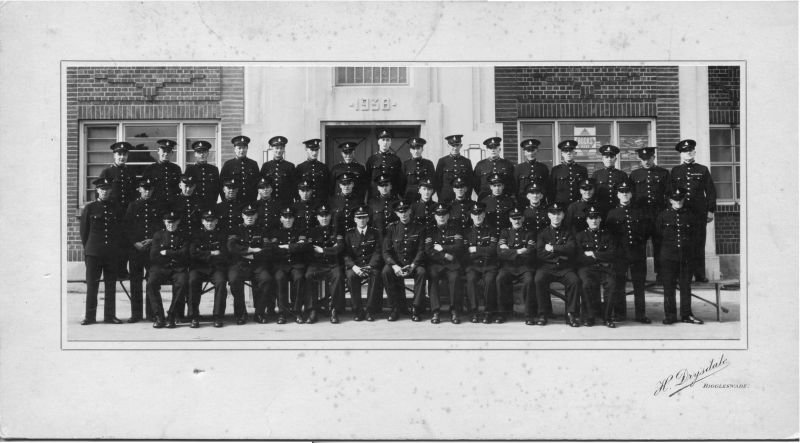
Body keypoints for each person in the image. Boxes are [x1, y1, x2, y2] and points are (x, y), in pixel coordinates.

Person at [670, 139, 717, 283]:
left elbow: (710, 191)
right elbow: (671, 192)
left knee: (698, 243)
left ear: (694, 152)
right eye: (685, 151)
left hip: (698, 213)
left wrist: (710, 210)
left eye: (690, 151)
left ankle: (699, 274)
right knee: (683, 243)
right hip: (682, 212)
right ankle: (684, 274)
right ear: (681, 154)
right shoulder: (676, 171)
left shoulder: (702, 170)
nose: (688, 153)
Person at [656, 188, 704, 325]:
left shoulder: (690, 216)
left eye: (680, 199)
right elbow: (657, 238)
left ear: (683, 199)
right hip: (668, 258)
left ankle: (686, 314)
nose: (678, 201)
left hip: (686, 257)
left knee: (685, 286)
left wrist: (693, 258)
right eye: (675, 199)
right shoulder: (663, 216)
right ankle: (670, 315)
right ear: (670, 200)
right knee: (668, 288)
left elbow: (696, 238)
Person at [79, 177, 124, 325]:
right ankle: (90, 317)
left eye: (107, 189)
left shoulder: (115, 207)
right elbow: (84, 232)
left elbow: (119, 231)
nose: (105, 191)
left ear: (111, 190)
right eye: (102, 189)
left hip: (111, 253)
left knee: (110, 286)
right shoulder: (89, 208)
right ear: (97, 190)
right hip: (94, 253)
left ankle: (109, 316)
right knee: (92, 285)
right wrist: (88, 250)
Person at [606, 181, 652, 323]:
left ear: (631, 194)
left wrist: (639, 244)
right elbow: (609, 235)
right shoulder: (612, 213)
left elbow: (646, 231)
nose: (624, 194)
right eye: (622, 192)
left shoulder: (639, 212)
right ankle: (620, 314)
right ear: (618, 195)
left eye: (627, 192)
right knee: (619, 285)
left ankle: (640, 314)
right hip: (620, 254)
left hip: (637, 253)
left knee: (639, 285)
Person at [123, 176, 165, 323]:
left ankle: (152, 313)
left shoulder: (158, 206)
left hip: (152, 249)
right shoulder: (133, 205)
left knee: (151, 280)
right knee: (135, 281)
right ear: (139, 190)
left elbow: (162, 227)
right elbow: (127, 227)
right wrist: (135, 242)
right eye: (145, 189)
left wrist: (153, 240)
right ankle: (136, 314)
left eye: (150, 189)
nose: (147, 192)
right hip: (136, 250)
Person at [534, 203, 581, 327]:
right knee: (538, 279)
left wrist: (553, 248)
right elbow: (540, 253)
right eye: (553, 214)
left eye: (559, 214)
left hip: (565, 268)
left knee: (574, 281)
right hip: (547, 268)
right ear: (549, 215)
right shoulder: (542, 233)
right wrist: (561, 252)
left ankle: (571, 313)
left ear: (563, 215)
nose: (556, 217)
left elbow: (572, 249)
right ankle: (543, 313)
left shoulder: (569, 232)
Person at [226, 204, 273, 325]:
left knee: (266, 279)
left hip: (257, 264)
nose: (250, 217)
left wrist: (253, 256)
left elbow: (267, 249)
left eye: (252, 215)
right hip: (239, 264)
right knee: (234, 279)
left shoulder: (263, 230)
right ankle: (241, 314)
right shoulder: (235, 229)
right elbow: (231, 247)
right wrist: (250, 250)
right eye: (247, 215)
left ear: (256, 216)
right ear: (242, 216)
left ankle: (260, 313)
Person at [629, 146, 671, 281]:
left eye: (649, 159)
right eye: (643, 159)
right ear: (639, 159)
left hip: (659, 215)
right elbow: (631, 196)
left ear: (654, 157)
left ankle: (661, 274)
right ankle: (640, 275)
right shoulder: (634, 175)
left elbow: (669, 194)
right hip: (641, 216)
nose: (646, 162)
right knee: (639, 246)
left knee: (659, 245)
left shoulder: (664, 173)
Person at [382, 199, 426, 321]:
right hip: (397, 264)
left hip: (414, 264)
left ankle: (416, 309)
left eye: (406, 211)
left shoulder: (419, 228)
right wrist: (394, 266)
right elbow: (386, 251)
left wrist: (413, 265)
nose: (403, 214)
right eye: (400, 212)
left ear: (410, 211)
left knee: (422, 272)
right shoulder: (392, 228)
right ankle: (394, 309)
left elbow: (422, 250)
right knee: (386, 272)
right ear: (396, 213)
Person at [575, 206, 619, 328]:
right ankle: (590, 316)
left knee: (611, 284)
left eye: (596, 218)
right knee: (586, 284)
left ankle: (607, 317)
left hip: (605, 268)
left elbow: (612, 254)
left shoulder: (607, 235)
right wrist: (602, 256)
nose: (594, 221)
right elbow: (579, 257)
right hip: (587, 268)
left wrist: (593, 254)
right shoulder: (580, 236)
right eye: (591, 218)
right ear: (587, 220)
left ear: (600, 219)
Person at [146, 211, 190, 328]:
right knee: (151, 284)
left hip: (178, 268)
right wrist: (175, 254)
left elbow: (185, 254)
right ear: (164, 222)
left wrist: (167, 252)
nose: (171, 224)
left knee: (182, 283)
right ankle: (159, 316)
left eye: (174, 222)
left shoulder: (184, 235)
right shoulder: (158, 235)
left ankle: (172, 315)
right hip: (160, 267)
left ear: (178, 222)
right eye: (169, 222)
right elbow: (153, 255)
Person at [304, 205, 346, 324]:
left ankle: (334, 309)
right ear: (317, 217)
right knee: (308, 275)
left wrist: (323, 251)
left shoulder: (336, 231)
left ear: (330, 216)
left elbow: (340, 248)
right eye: (321, 216)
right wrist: (330, 249)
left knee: (338, 276)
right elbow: (309, 249)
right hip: (316, 264)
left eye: (326, 215)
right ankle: (312, 310)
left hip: (333, 264)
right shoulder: (311, 231)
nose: (324, 218)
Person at [424, 203, 465, 324]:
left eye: (444, 215)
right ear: (435, 216)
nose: (441, 217)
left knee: (455, 277)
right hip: (436, 264)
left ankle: (454, 311)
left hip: (452, 264)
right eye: (438, 215)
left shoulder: (455, 229)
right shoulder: (430, 230)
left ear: (448, 216)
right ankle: (435, 311)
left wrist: (441, 247)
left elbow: (459, 247)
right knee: (433, 276)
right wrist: (445, 255)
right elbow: (428, 250)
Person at [188, 209, 229, 328]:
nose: (209, 223)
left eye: (212, 221)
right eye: (207, 221)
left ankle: (218, 316)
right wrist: (211, 253)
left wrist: (203, 253)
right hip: (198, 267)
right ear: (202, 221)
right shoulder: (195, 234)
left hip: (216, 268)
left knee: (221, 282)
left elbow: (224, 253)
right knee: (192, 281)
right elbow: (192, 253)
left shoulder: (222, 235)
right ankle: (194, 316)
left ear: (216, 221)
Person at [343, 206, 384, 321]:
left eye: (364, 217)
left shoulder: (375, 233)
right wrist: (354, 267)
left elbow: (378, 252)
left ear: (368, 219)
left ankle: (370, 310)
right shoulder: (349, 234)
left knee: (375, 275)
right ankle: (358, 311)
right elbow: (345, 254)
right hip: (355, 266)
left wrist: (370, 266)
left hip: (371, 265)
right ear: (355, 219)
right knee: (350, 276)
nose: (361, 220)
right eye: (359, 217)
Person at [271, 207, 312, 324]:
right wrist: (295, 247)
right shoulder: (275, 232)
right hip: (281, 264)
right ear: (281, 219)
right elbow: (273, 249)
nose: (288, 220)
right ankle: (282, 313)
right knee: (279, 278)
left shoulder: (300, 231)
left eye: (290, 217)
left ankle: (297, 311)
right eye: (285, 217)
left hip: (296, 264)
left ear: (294, 219)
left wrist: (286, 247)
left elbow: (304, 246)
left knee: (299, 278)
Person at [496, 207, 536, 324]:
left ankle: (529, 315)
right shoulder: (505, 232)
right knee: (500, 279)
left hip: (524, 267)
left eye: (519, 218)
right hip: (508, 267)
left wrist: (510, 251)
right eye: (514, 219)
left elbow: (530, 253)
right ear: (510, 219)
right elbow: (500, 253)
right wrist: (519, 251)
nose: (516, 221)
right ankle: (502, 313)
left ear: (522, 218)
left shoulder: (529, 233)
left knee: (529, 281)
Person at [463, 203, 498, 323]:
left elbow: (493, 250)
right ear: (471, 216)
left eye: (480, 214)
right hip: (472, 265)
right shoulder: (466, 232)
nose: (477, 217)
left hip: (489, 265)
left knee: (489, 281)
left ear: (484, 215)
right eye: (474, 214)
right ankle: (474, 311)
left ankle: (488, 312)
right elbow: (464, 253)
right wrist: (484, 251)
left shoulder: (492, 230)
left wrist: (475, 249)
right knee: (471, 279)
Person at [99, 141, 139, 211]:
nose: (122, 157)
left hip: (128, 210)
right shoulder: (107, 172)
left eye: (124, 154)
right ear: (114, 155)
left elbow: (136, 192)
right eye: (119, 154)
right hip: (112, 210)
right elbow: (99, 193)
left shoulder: (131, 172)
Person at [220, 135, 260, 204]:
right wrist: (226, 202)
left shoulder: (253, 164)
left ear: (247, 148)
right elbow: (221, 185)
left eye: (244, 148)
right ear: (234, 149)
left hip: (250, 202)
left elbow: (257, 184)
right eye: (239, 148)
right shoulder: (228, 164)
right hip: (233, 203)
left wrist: (254, 201)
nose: (242, 150)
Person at [435, 134, 474, 203]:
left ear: (461, 146)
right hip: (446, 199)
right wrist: (441, 198)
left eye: (457, 145)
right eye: (452, 145)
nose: (455, 148)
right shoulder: (442, 161)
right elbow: (438, 182)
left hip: (462, 199)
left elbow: (470, 183)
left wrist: (467, 198)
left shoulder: (466, 161)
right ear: (448, 146)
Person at [365, 129, 402, 200]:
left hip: (391, 196)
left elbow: (399, 181)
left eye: (388, 140)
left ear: (390, 142)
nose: (385, 142)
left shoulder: (396, 160)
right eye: (383, 140)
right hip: (374, 196)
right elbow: (367, 180)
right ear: (378, 142)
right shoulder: (372, 159)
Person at [260, 135, 296, 207]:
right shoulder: (266, 166)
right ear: (272, 148)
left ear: (284, 149)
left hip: (286, 203)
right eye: (276, 148)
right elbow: (261, 186)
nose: (279, 151)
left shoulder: (290, 166)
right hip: (270, 203)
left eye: (281, 148)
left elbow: (294, 186)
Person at [184, 140, 221, 210]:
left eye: (204, 152)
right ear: (195, 154)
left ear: (208, 153)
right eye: (199, 152)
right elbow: (186, 188)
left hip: (210, 205)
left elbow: (217, 188)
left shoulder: (214, 169)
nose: (202, 154)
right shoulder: (190, 169)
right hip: (194, 206)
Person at [550, 140, 588, 205]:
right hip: (560, 205)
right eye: (565, 151)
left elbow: (585, 189)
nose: (568, 153)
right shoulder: (556, 170)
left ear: (575, 153)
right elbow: (551, 190)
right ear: (562, 154)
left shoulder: (582, 170)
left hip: (577, 204)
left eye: (570, 150)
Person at [514, 138, 550, 207]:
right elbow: (515, 188)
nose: (531, 153)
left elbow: (547, 187)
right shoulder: (518, 168)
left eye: (533, 150)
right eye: (528, 150)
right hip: (522, 203)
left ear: (537, 151)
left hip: (539, 203)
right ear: (524, 152)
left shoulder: (543, 168)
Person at [480, 173, 516, 240]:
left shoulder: (510, 201)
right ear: (491, 187)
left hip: (506, 236)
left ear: (503, 186)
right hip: (489, 236)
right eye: (494, 186)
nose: (497, 188)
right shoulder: (484, 201)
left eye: (499, 185)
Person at [592, 144, 628, 210]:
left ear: (615, 159)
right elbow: (593, 193)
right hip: (601, 208)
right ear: (602, 159)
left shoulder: (622, 175)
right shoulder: (596, 174)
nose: (609, 159)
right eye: (606, 157)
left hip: (617, 208)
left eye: (611, 157)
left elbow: (627, 193)